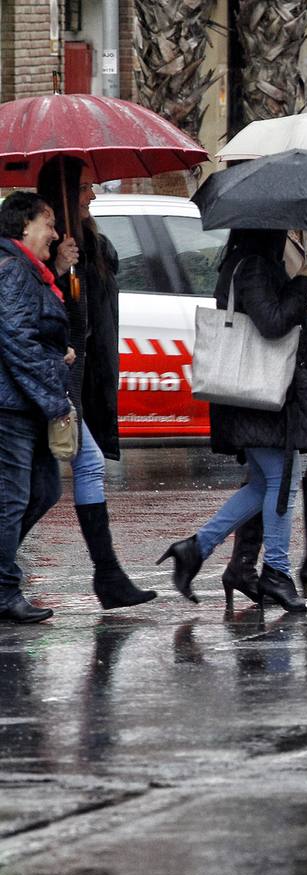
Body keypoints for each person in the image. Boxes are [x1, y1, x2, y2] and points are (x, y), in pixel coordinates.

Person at [157, 228, 307, 613]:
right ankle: (276, 571)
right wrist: (301, 283)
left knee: (267, 482)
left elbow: (282, 309)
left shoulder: (255, 265)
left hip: (262, 391)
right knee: (283, 479)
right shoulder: (252, 269)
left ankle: (195, 549)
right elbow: (273, 322)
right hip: (254, 391)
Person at [36, 157, 158, 609]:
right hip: (53, 381)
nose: (92, 194)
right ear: (65, 194)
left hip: (83, 379)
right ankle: (106, 576)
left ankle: (108, 576)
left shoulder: (90, 242)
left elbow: (94, 320)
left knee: (57, 478)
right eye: (86, 187)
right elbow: (57, 318)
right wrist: (61, 269)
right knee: (44, 484)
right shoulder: (43, 252)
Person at [219, 230, 307, 604]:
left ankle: (246, 564)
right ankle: (299, 563)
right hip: (278, 361)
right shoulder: (268, 237)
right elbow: (276, 307)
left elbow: (296, 293)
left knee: (270, 470)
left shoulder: (299, 232)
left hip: (297, 356)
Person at [0, 192, 78, 624]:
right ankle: (5, 590)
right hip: (12, 405)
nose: (54, 232)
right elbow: (16, 339)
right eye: (47, 222)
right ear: (24, 226)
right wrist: (54, 390)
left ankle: (3, 574)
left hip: (26, 401)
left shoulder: (34, 272)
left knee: (43, 492)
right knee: (12, 500)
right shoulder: (13, 270)